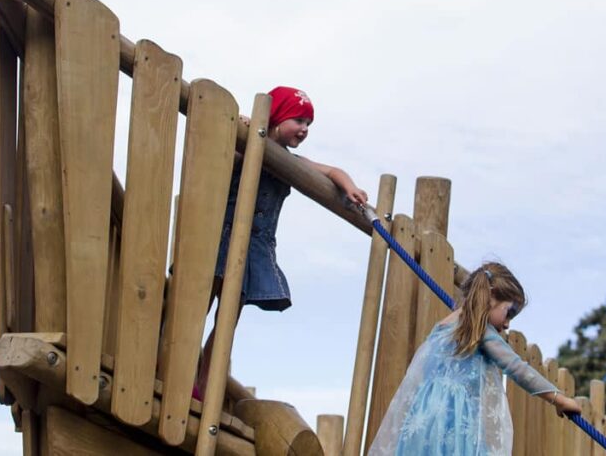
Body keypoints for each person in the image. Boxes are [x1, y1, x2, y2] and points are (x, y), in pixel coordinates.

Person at [196, 86, 368, 395]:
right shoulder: (248, 141)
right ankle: (173, 363)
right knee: (198, 304)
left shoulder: (291, 162)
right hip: (222, 235)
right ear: (277, 117)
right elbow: (222, 150)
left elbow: (331, 170)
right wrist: (243, 128)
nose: (303, 130)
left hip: (255, 248)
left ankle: (204, 384)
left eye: (308, 125)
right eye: (298, 120)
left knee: (228, 318)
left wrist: (350, 187)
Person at [368, 261, 581, 455]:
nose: (507, 324)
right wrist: (559, 399)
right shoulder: (482, 332)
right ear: (491, 297)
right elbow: (517, 368)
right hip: (454, 424)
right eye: (509, 312)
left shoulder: (440, 328)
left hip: (423, 422)